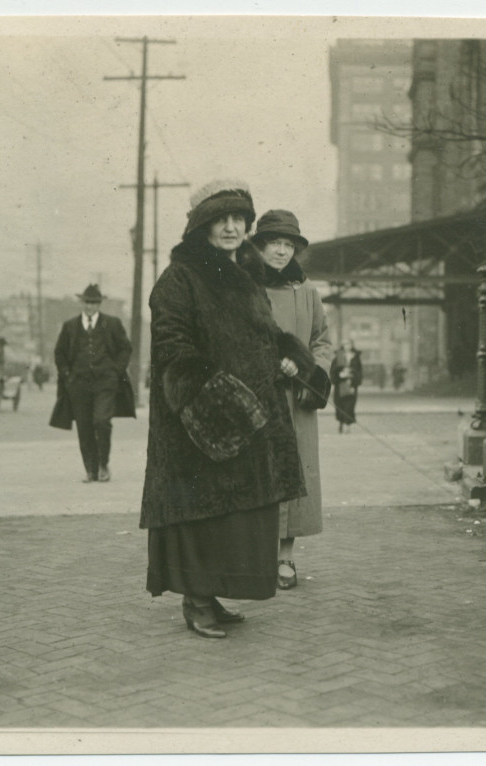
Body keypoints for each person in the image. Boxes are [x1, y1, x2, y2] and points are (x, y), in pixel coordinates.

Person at [140, 180, 317, 639]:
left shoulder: (246, 274)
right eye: (222, 220)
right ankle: (196, 601)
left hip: (248, 417)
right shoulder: (180, 278)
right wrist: (211, 399)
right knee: (203, 512)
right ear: (202, 226)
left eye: (240, 219)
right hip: (202, 420)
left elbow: (263, 333)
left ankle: (211, 595)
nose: (233, 227)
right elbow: (173, 347)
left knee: (235, 516)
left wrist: (288, 353)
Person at [252, 209, 334, 590]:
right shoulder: (244, 289)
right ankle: (254, 554)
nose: (282, 252)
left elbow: (322, 341)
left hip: (297, 403)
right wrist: (271, 363)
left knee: (295, 475)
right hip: (256, 399)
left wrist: (310, 371)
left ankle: (285, 556)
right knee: (256, 474)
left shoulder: (308, 293)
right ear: (260, 246)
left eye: (289, 244)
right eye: (275, 243)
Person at [50, 284, 134, 483]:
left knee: (102, 421)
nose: (90, 307)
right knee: (84, 427)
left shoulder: (112, 324)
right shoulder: (70, 326)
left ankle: (103, 464)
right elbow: (59, 353)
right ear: (82, 303)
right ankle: (90, 469)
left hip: (105, 383)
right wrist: (67, 375)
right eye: (87, 302)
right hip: (78, 385)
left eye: (94, 303)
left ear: (99, 304)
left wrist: (115, 371)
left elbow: (125, 348)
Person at [331, 339, 363, 433]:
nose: (347, 346)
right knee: (340, 404)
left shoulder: (356, 357)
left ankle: (348, 425)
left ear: (352, 345)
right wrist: (339, 375)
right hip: (340, 384)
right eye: (345, 344)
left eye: (348, 344)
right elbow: (333, 371)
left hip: (351, 384)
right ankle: (341, 423)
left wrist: (353, 378)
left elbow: (359, 371)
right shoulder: (338, 357)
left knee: (349, 405)